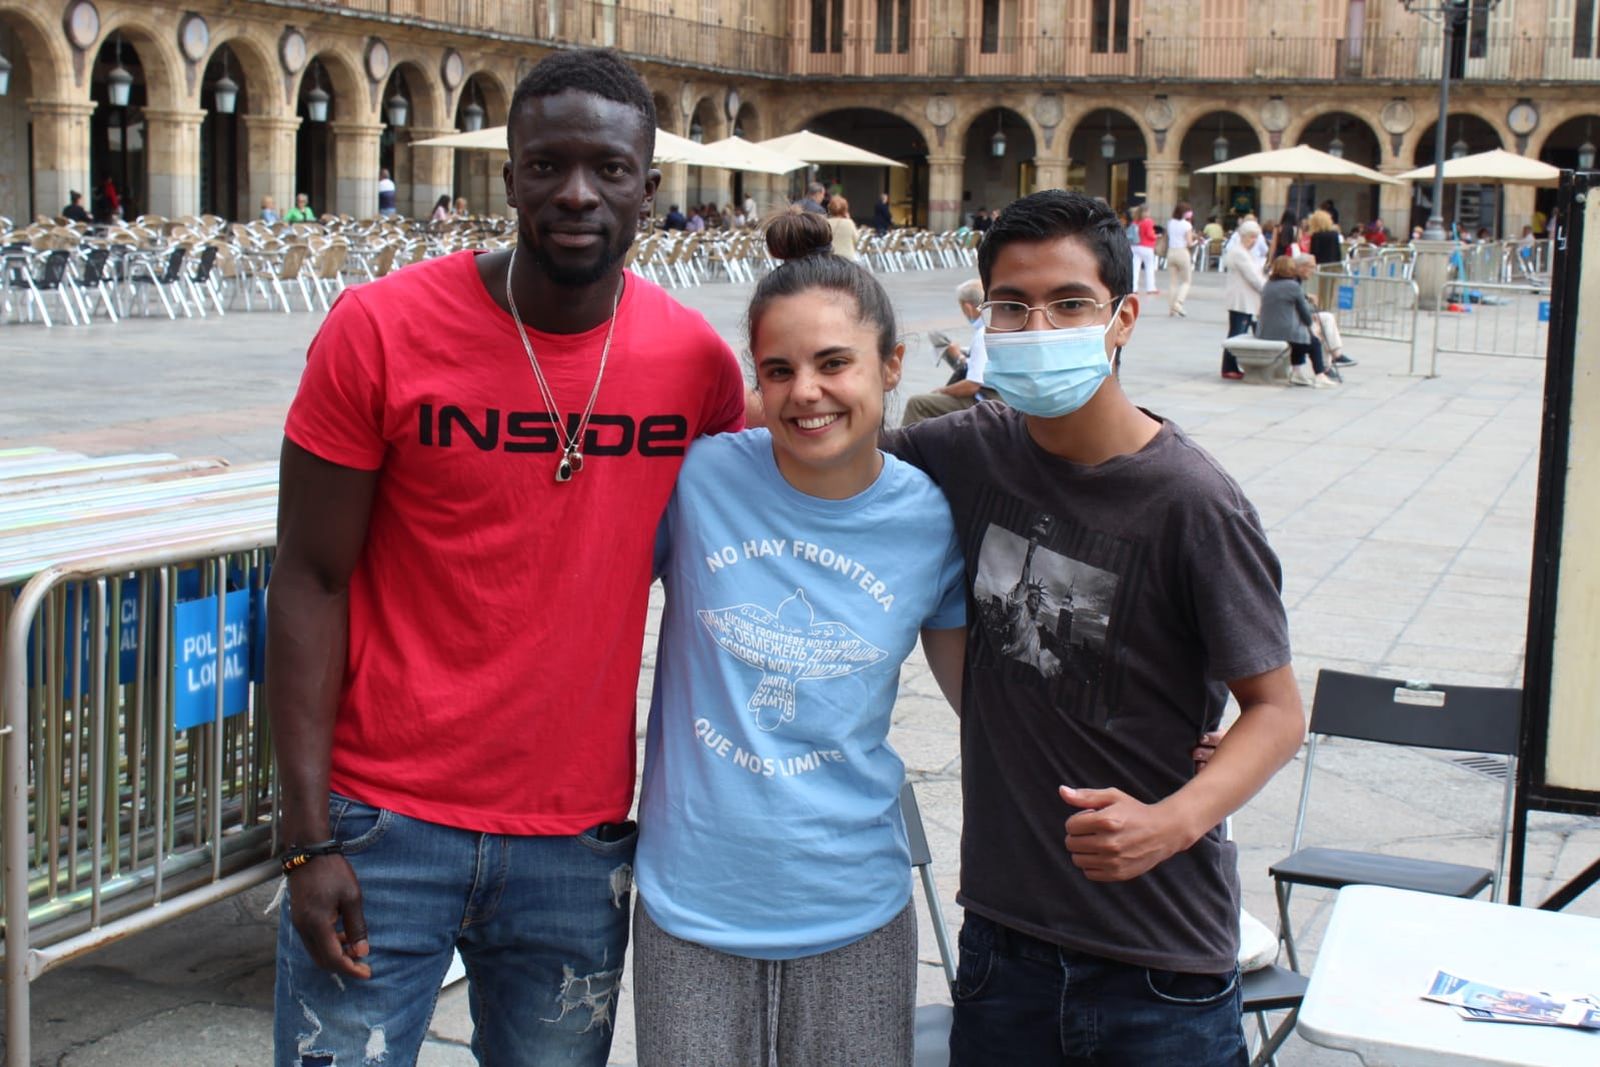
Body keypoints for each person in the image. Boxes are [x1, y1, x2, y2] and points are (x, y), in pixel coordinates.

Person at [267, 47, 745, 1066]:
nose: (576, 193)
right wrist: (306, 834)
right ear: (510, 173)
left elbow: (768, 545)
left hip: (575, 838)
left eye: (608, 169)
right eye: (547, 165)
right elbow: (309, 576)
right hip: (377, 818)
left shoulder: (696, 367)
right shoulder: (379, 330)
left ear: (648, 188)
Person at [882, 189, 1304, 1066]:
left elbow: (1276, 710)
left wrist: (1174, 820)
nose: (1039, 325)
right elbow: (828, 442)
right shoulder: (964, 453)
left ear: (1122, 318)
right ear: (985, 316)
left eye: (1070, 303)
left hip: (1157, 965)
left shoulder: (1193, 502)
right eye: (1013, 305)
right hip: (1003, 940)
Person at [632, 210, 966, 1067]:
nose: (804, 391)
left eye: (833, 363)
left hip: (852, 898)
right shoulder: (702, 476)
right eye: (778, 370)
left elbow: (987, 699)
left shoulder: (931, 519)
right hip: (691, 898)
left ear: (892, 365)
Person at [901, 278, 995, 426]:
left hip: (987, 399)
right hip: (994, 395)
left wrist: (942, 391)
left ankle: (901, 448)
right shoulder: (993, 326)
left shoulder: (982, 335)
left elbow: (972, 384)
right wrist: (959, 356)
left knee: (917, 403)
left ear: (968, 307)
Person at [1259, 255, 1335, 388]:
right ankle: (1320, 375)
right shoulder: (1293, 286)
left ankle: (1297, 372)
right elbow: (1305, 313)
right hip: (1283, 331)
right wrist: (1312, 327)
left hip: (1265, 330)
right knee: (1313, 342)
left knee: (1301, 338)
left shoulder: (1268, 284)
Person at [1221, 218, 1265, 380]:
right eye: (1251, 237)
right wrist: (1266, 290)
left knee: (1237, 332)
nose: (1254, 241)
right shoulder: (1239, 253)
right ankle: (1229, 366)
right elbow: (1253, 277)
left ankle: (1232, 366)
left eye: (1255, 237)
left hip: (1245, 299)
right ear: (1244, 236)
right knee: (1236, 334)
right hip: (1241, 300)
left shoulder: (1244, 252)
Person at [1293, 254, 1354, 373]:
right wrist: (1310, 315)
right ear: (1301, 267)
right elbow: (1297, 304)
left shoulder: (1296, 281)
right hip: (1293, 321)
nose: (1313, 271)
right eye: (1311, 267)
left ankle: (1335, 355)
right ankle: (1329, 362)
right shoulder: (1293, 283)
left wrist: (1306, 297)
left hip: (1296, 317)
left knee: (1327, 318)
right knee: (1320, 327)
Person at [1165, 201, 1197, 317]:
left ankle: (1171, 309)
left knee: (1173, 282)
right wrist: (1196, 241)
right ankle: (1178, 303)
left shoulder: (1170, 223)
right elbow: (1189, 243)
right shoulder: (1187, 225)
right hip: (1182, 252)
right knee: (1186, 281)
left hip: (1171, 252)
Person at [1131, 204, 1159, 297]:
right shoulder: (1148, 221)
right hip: (1147, 247)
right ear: (1146, 212)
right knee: (1149, 267)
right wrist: (1156, 236)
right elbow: (1150, 234)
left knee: (1135, 268)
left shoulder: (1135, 221)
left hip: (1135, 246)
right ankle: (1150, 288)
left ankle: (1133, 288)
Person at [826, 194, 859, 260]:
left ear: (830, 209)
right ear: (845, 210)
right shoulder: (849, 223)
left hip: (829, 258)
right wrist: (849, 219)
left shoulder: (825, 223)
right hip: (847, 258)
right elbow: (857, 240)